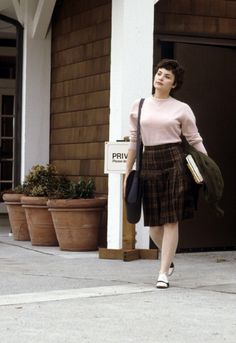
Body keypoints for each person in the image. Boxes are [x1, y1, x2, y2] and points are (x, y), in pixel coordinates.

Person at [124, 59, 207, 289]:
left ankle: (163, 272)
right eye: (159, 73)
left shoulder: (181, 109)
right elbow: (134, 142)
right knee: (153, 226)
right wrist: (127, 172)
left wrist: (208, 167)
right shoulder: (139, 106)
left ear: (174, 84)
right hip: (149, 161)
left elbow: (194, 139)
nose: (160, 77)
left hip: (174, 161)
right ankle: (169, 258)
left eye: (166, 76)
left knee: (171, 219)